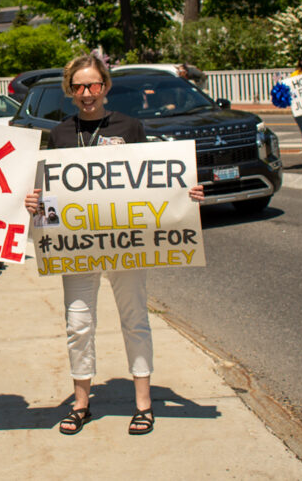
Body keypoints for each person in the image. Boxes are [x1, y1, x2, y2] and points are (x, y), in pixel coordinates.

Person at [25, 54, 204, 437]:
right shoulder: (60, 134)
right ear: (70, 91)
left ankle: (143, 404)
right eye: (78, 86)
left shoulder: (130, 126)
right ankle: (80, 404)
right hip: (77, 245)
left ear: (105, 87)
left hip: (126, 244)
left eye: (93, 85)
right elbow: (49, 191)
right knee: (78, 324)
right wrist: (35, 201)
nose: (86, 93)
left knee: (135, 319)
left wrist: (185, 192)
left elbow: (154, 181)